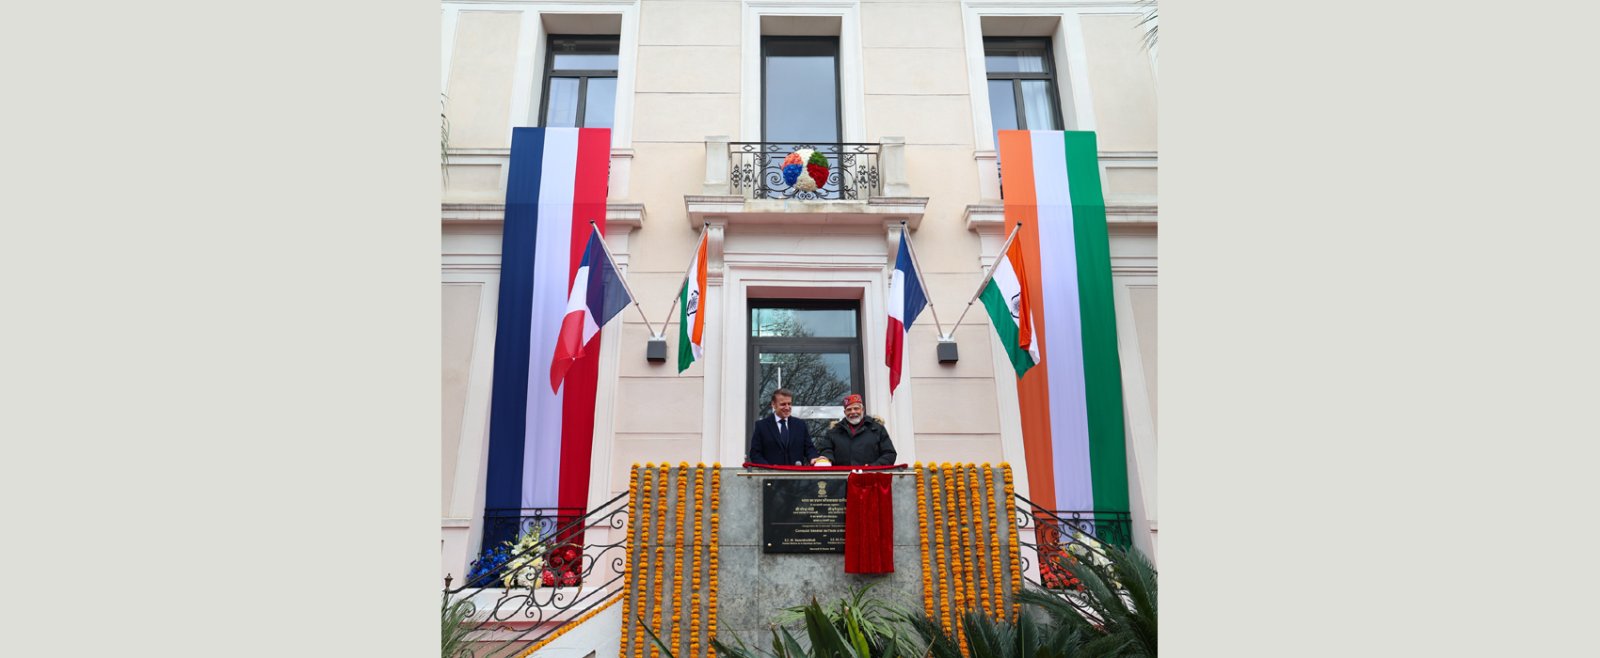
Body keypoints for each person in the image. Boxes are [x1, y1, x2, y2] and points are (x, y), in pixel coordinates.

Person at [816, 394, 898, 466]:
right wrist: (827, 459)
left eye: (856, 408)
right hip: (842, 480)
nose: (853, 412)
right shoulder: (834, 431)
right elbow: (826, 450)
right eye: (849, 409)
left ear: (862, 410)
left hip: (871, 479)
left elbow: (889, 454)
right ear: (845, 412)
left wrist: (873, 467)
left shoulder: (877, 429)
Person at [747, 388, 823, 466]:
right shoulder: (762, 426)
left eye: (789, 404)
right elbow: (755, 454)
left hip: (796, 476)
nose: (787, 407)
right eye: (783, 404)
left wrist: (813, 458)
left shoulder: (800, 425)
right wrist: (769, 469)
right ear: (773, 404)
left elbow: (809, 448)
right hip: (771, 476)